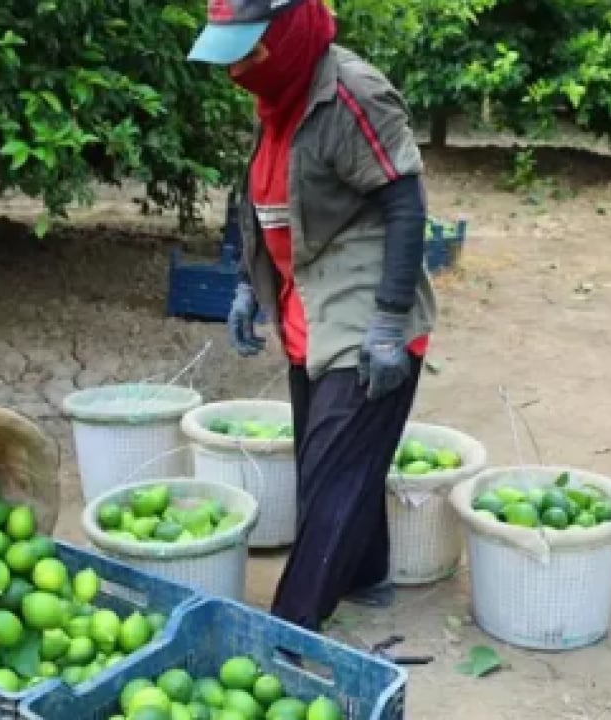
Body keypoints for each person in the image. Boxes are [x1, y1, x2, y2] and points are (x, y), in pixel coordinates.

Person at [188, 0, 437, 632]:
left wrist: (387, 325)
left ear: (289, 30)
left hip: (361, 308)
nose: (236, 69)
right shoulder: (276, 93)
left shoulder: (351, 92)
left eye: (248, 50)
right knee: (333, 456)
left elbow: (406, 206)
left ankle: (290, 633)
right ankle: (367, 573)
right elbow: (259, 192)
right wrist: (247, 282)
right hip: (306, 301)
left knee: (329, 478)